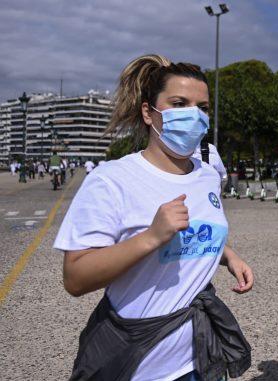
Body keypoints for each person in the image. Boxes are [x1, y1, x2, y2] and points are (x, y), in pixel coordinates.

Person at [53, 54, 253, 381]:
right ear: (149, 112)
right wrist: (150, 237)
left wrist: (228, 255)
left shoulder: (206, 173)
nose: (193, 115)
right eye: (178, 103)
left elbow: (196, 228)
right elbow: (75, 278)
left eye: (202, 107)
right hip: (139, 364)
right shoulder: (112, 179)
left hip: (200, 356)